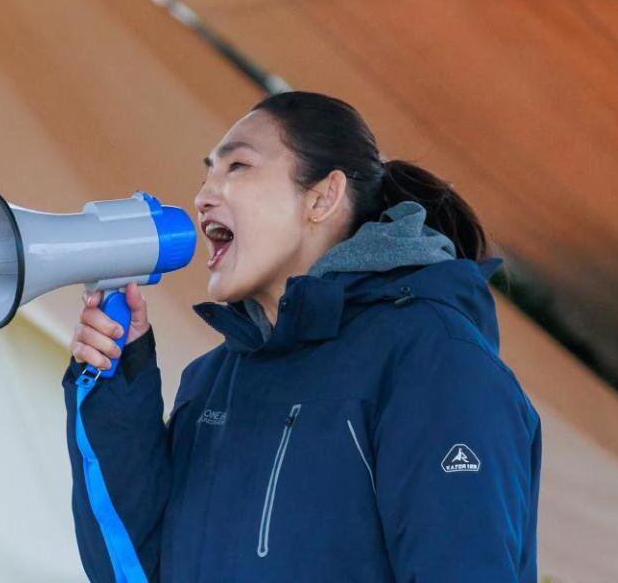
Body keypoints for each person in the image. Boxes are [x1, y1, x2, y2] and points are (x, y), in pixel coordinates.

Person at [63, 91, 542, 582]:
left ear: (322, 197)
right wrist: (116, 382)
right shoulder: (210, 382)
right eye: (207, 174)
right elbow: (136, 572)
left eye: (237, 167)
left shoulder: (436, 360)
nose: (204, 194)